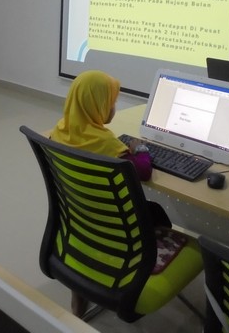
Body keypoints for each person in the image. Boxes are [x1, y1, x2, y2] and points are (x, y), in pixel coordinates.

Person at [50, 70, 169, 316]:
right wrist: (141, 149)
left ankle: (79, 298)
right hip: (116, 229)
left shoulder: (58, 132)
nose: (114, 108)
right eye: (111, 102)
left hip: (79, 220)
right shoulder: (108, 145)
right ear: (98, 105)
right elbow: (143, 171)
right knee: (157, 213)